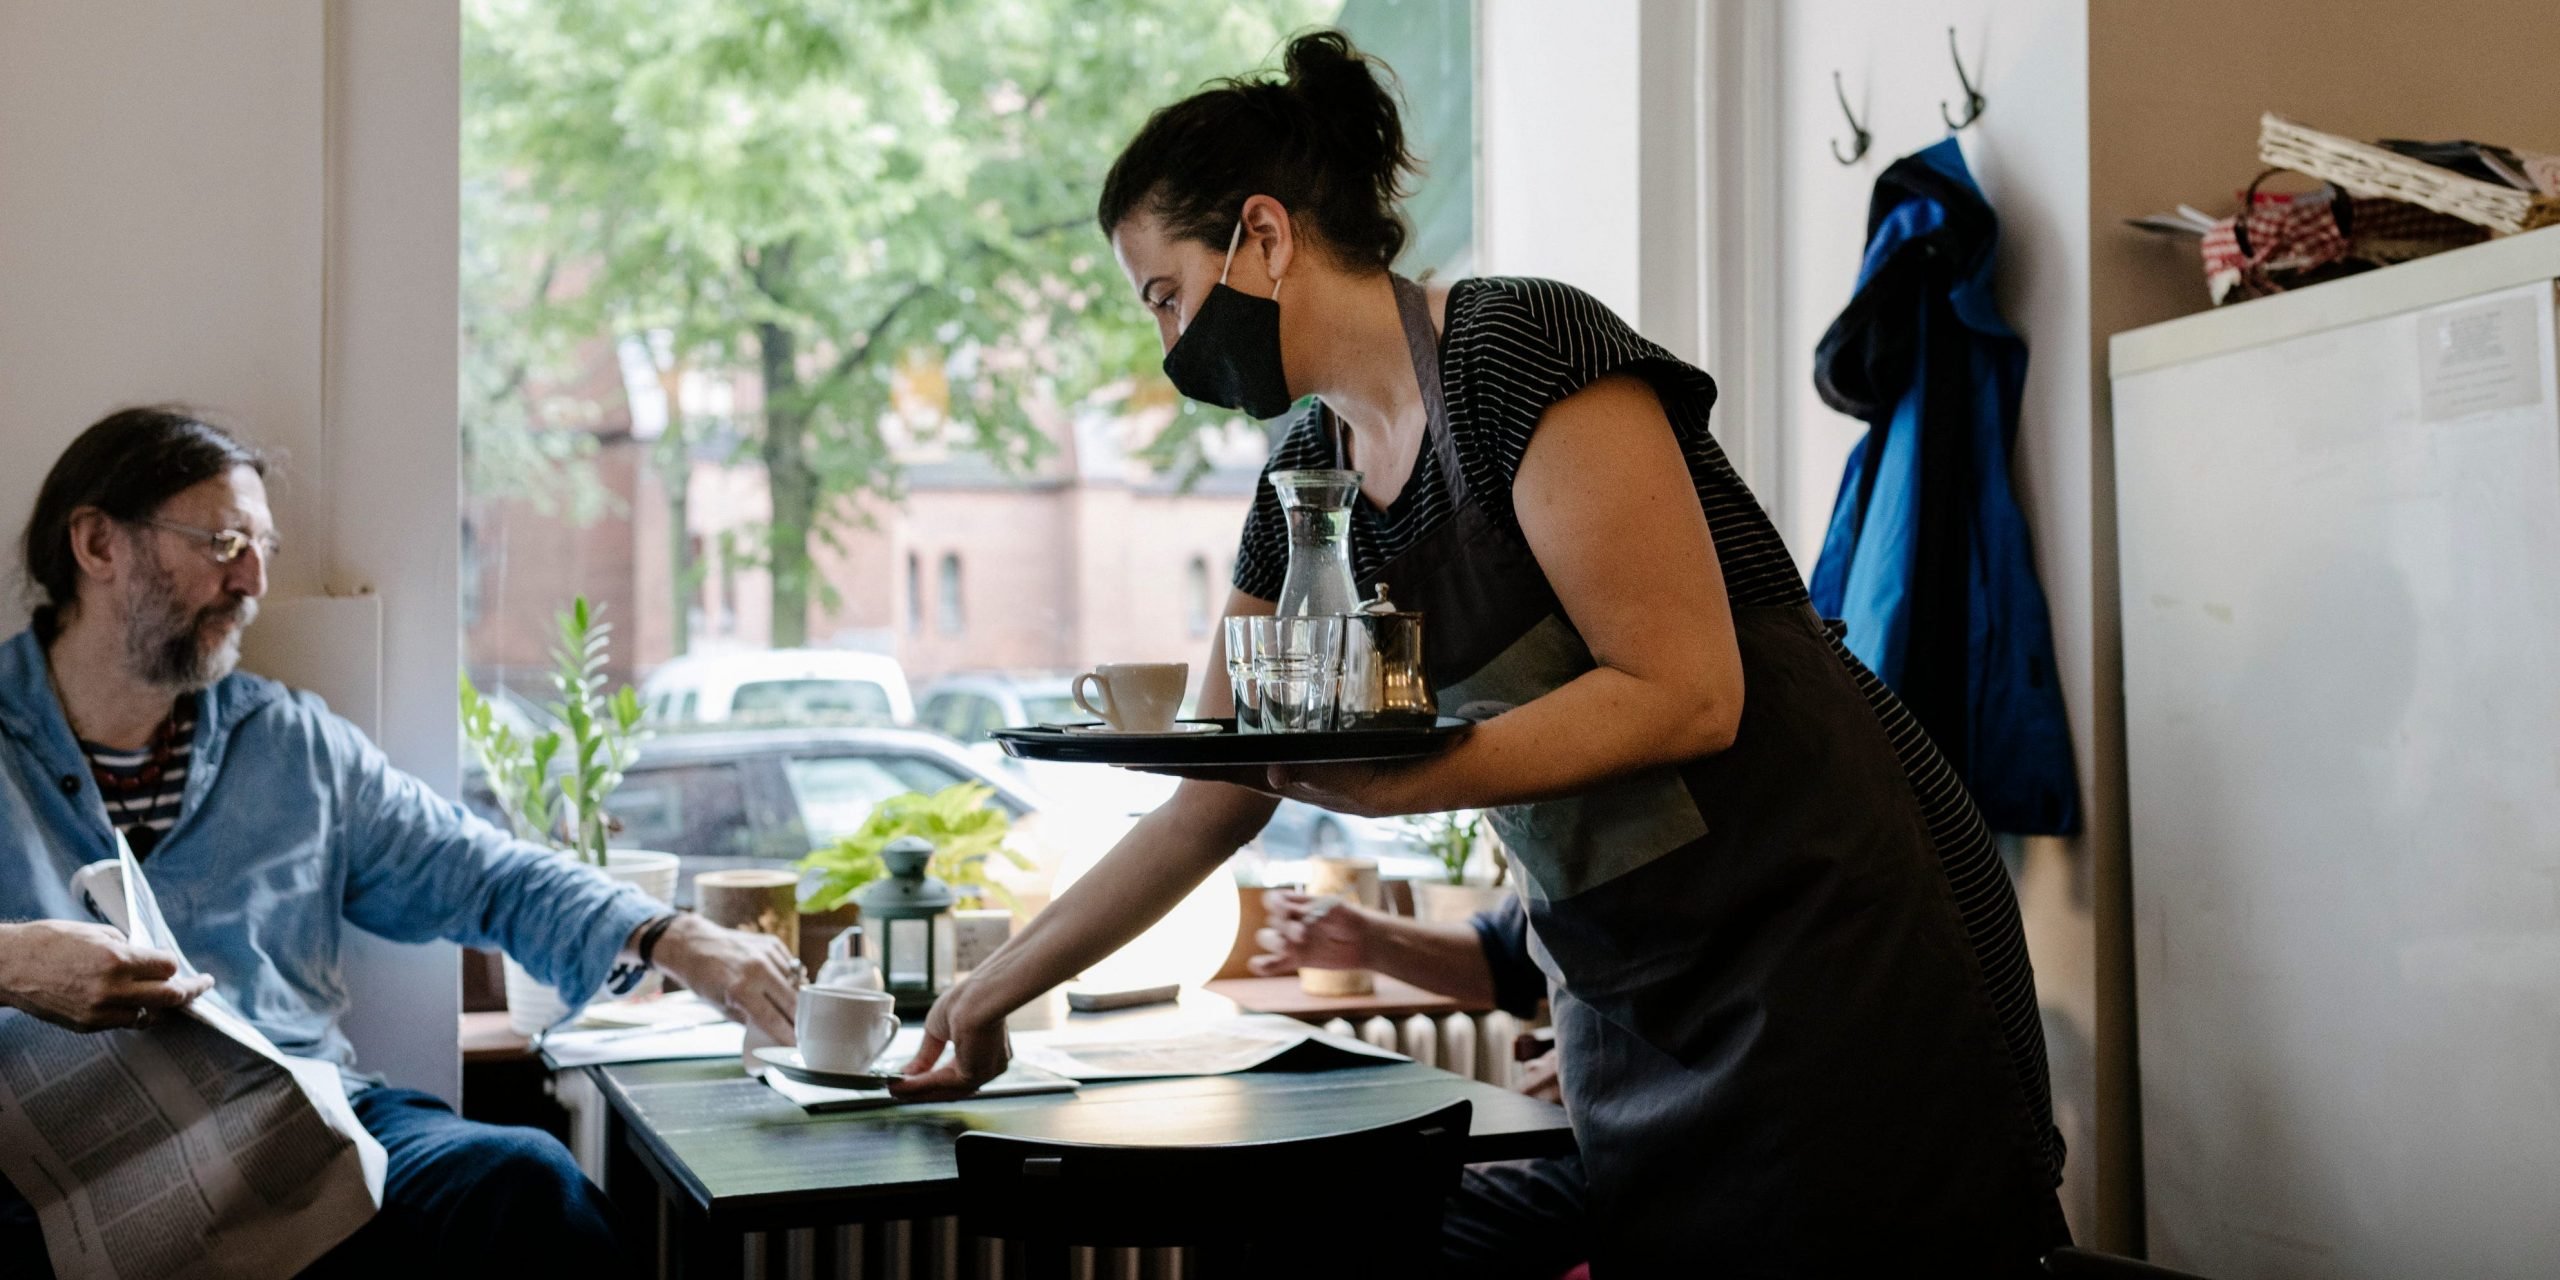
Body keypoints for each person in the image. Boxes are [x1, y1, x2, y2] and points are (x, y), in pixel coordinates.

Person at [895, 28, 2069, 1273]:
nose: (1169, 341)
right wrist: (988, 993)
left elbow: (1687, 695)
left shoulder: (1519, 351)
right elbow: (1210, 792)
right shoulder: (1306, 473)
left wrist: (1407, 782)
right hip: (1636, 986)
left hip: (1838, 929)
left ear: (1265, 235)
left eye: (1167, 295)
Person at [0, 408, 804, 1275]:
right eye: (226, 542)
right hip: (55, 1182)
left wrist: (674, 936)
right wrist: (12, 962)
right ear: (96, 545)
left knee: (524, 1180)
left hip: (301, 1140)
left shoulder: (294, 746)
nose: (256, 580)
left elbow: (482, 871)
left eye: (261, 547)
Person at [1253, 887, 1588, 1280]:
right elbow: (1507, 953)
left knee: (1363, 1230)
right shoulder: (1573, 852)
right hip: (1590, 1143)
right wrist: (1363, 938)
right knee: (1314, 1213)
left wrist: (1607, 1072)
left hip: (1651, 1162)